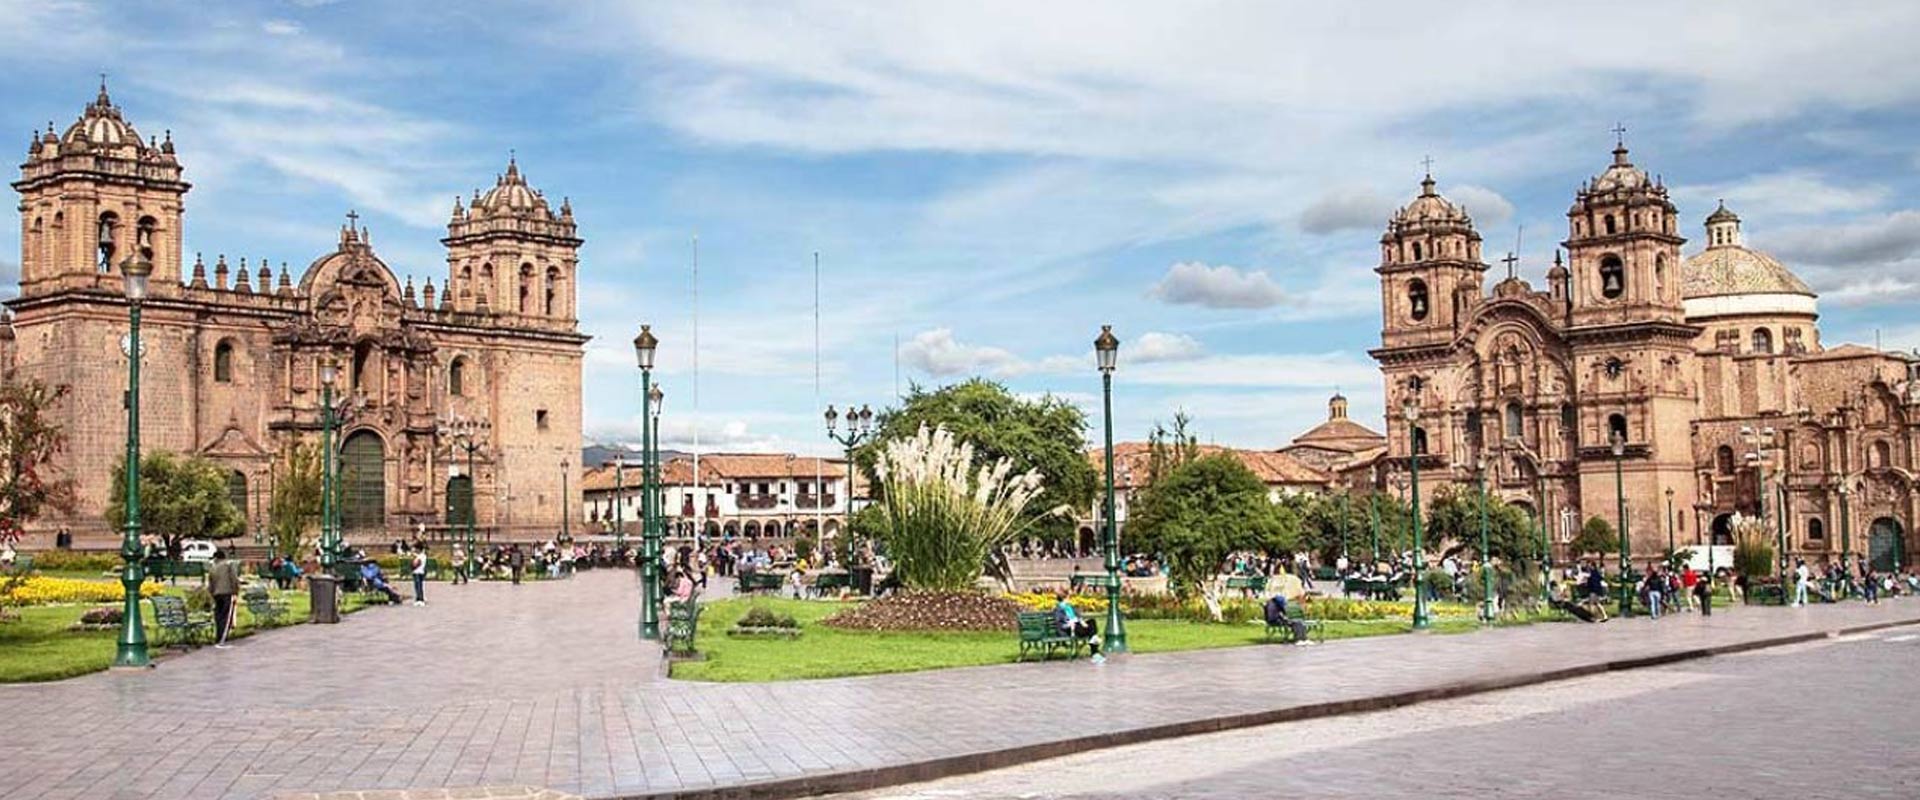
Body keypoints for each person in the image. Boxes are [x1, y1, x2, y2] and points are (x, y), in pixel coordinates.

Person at [1052, 589, 1103, 663]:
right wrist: (1069, 624)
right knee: (1090, 632)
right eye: (1068, 597)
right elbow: (1058, 622)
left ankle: (1094, 640)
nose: (1069, 599)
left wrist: (1081, 621)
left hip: (1077, 625)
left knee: (1092, 621)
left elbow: (1077, 616)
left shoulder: (1069, 607)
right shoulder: (1058, 609)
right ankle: (1095, 653)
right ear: (1064, 598)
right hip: (1069, 629)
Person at [208, 548, 241, 648]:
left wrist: (212, 593)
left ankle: (218, 635)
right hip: (227, 593)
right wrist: (236, 591)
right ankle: (223, 636)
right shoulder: (228, 565)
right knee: (226, 615)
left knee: (218, 615)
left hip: (216, 594)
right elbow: (234, 579)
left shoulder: (213, 568)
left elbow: (211, 582)